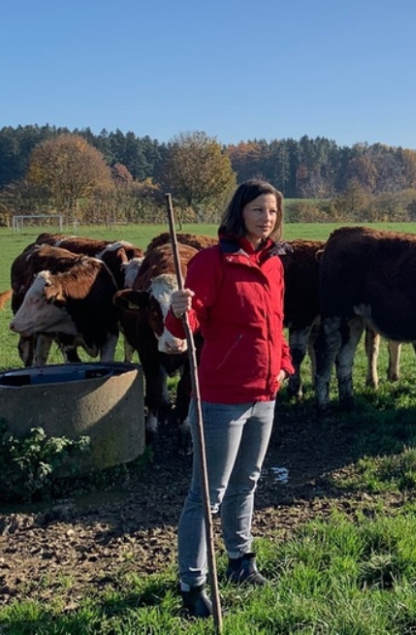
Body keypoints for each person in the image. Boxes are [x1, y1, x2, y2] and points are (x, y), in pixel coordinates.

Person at [167, 179, 294, 618]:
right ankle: (192, 583)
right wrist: (177, 309)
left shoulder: (274, 264)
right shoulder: (212, 262)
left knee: (248, 481)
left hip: (265, 393)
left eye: (273, 212)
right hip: (221, 397)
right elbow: (187, 326)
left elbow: (275, 325)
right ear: (240, 211)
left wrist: (284, 365)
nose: (267, 218)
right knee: (208, 493)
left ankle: (241, 560)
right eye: (259, 210)